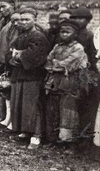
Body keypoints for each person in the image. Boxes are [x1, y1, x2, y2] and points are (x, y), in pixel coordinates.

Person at [8, 8, 50, 150]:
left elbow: (36, 55)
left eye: (27, 19)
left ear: (34, 20)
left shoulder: (38, 36)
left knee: (33, 105)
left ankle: (36, 135)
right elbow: (11, 51)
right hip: (20, 74)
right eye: (21, 20)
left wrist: (19, 55)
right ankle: (25, 130)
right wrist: (13, 57)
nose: (23, 22)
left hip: (33, 75)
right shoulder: (20, 37)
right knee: (20, 104)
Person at [44, 19, 89, 143]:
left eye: (67, 32)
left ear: (75, 34)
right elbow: (48, 61)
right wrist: (56, 65)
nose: (64, 34)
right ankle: (52, 139)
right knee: (53, 110)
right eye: (62, 32)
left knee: (68, 112)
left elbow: (69, 63)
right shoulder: (57, 46)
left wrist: (57, 64)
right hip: (54, 83)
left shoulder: (78, 48)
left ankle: (67, 142)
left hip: (69, 83)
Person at [69, 6, 99, 138]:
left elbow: (92, 57)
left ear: (87, 21)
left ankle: (85, 139)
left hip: (86, 73)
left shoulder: (88, 35)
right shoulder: (72, 34)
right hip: (73, 72)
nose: (77, 21)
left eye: (80, 18)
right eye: (74, 18)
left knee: (87, 108)